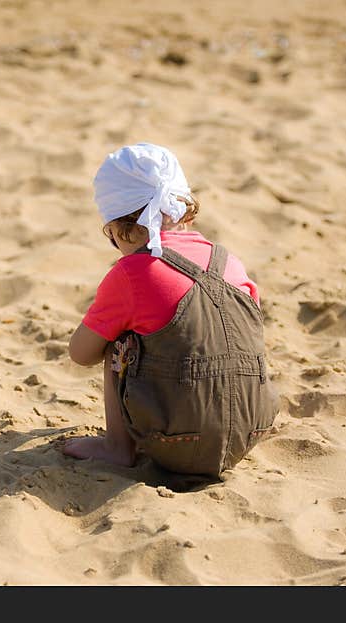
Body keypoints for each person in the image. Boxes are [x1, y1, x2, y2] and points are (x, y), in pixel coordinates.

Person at [63, 143, 279, 477]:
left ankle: (117, 448)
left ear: (119, 226)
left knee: (119, 342)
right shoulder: (230, 261)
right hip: (252, 430)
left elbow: (81, 353)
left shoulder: (133, 272)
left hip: (177, 442)